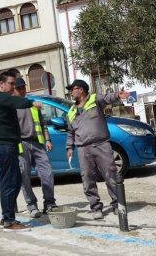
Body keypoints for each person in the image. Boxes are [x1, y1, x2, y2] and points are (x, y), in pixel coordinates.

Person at [66, 79, 129, 219]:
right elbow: (70, 132)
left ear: (81, 89)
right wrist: (69, 147)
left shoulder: (95, 99)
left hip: (101, 145)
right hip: (83, 149)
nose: (71, 92)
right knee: (87, 178)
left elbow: (108, 98)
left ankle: (117, 204)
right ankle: (95, 207)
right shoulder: (71, 111)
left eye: (73, 89)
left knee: (110, 175)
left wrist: (118, 95)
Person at [0, 71, 42, 231]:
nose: (13, 87)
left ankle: (7, 218)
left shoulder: (3, 101)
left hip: (6, 145)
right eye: (10, 84)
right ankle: (9, 220)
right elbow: (17, 102)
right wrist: (32, 102)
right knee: (10, 181)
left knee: (13, 180)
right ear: (1, 84)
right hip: (2, 145)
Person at [13, 77, 57, 218]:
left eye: (23, 88)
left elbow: (42, 124)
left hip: (37, 143)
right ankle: (31, 205)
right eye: (19, 88)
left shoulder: (33, 104)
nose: (22, 91)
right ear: (14, 90)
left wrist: (48, 139)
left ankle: (49, 203)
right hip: (21, 144)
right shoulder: (11, 106)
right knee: (23, 175)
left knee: (47, 173)